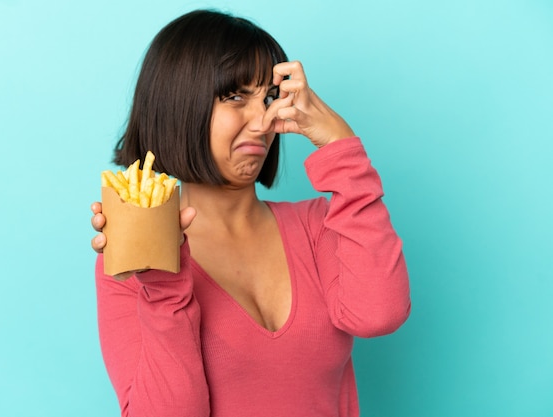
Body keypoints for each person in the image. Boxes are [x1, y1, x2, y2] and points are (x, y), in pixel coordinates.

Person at [90, 9, 410, 417]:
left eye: (270, 99)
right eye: (236, 97)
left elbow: (378, 315)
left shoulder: (320, 224)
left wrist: (341, 147)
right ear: (178, 104)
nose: (264, 123)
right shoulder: (133, 265)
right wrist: (163, 287)